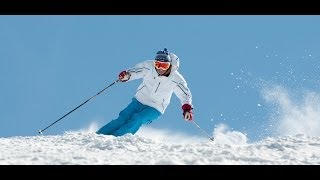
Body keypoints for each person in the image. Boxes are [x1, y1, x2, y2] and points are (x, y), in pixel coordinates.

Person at [96, 48, 193, 137]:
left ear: (170, 66)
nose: (160, 69)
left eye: (164, 66)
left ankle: (116, 138)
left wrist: (187, 109)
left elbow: (184, 94)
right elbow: (136, 71)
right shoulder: (149, 66)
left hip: (155, 107)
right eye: (158, 64)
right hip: (139, 101)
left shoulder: (176, 79)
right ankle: (99, 136)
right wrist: (127, 75)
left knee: (137, 119)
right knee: (122, 118)